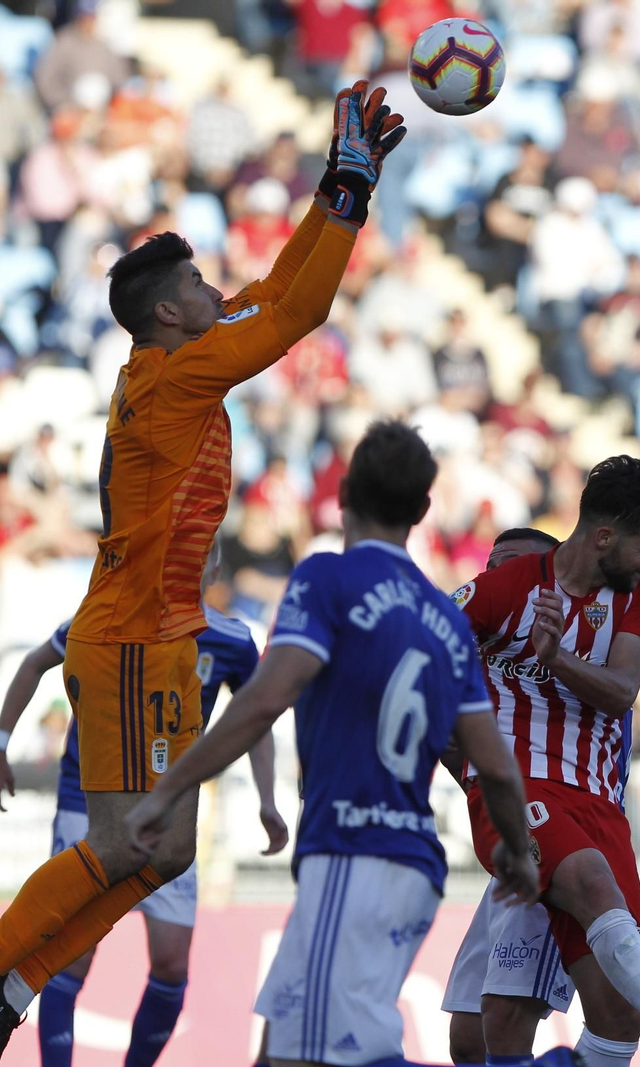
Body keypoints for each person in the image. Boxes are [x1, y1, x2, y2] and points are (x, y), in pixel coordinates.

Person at [0, 82, 408, 1067]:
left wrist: (338, 188)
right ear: (170, 311)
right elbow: (300, 309)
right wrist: (347, 197)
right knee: (131, 841)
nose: (219, 286)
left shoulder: (184, 356)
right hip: (134, 635)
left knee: (169, 848)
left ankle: (3, 986)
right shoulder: (178, 372)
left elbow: (276, 287)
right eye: (200, 282)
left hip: (164, 634)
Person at [123, 421, 574, 1067]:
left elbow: (263, 698)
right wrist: (520, 857)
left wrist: (167, 789)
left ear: (341, 498)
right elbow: (496, 765)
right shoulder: (447, 616)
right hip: (409, 860)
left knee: (343, 1058)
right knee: (279, 1054)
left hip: (353, 849)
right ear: (422, 511)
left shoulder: (326, 580)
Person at [453, 455, 640, 1067]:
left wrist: (553, 657)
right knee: (492, 1022)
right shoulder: (508, 589)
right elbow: (421, 661)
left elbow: (620, 692)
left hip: (598, 804)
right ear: (604, 536)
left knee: (618, 1014)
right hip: (519, 791)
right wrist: (467, 770)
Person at [0, 548, 289, 1067]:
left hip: (172, 809)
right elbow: (36, 661)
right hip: (90, 797)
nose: (191, 562)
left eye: (204, 553)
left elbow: (256, 718)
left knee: (170, 961)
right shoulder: (114, 612)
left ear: (214, 568)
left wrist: (267, 798)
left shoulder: (232, 639)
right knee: (72, 954)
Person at [441, 527, 605, 1065]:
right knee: (467, 1038)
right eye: (492, 565)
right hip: (509, 852)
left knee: (504, 1030)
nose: (498, 578)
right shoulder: (490, 657)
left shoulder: (579, 657)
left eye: (514, 567)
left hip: (552, 845)